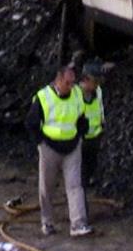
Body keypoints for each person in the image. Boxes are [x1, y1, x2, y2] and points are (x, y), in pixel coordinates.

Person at [32, 60, 91, 237]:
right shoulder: (43, 97)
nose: (71, 86)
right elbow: (31, 123)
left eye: (73, 83)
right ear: (58, 80)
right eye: (67, 83)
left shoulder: (77, 94)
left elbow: (82, 117)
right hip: (49, 147)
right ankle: (47, 222)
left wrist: (80, 136)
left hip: (72, 147)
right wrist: (41, 143)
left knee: (75, 186)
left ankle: (78, 223)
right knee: (47, 187)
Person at [78, 58, 107, 190]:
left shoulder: (98, 91)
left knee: (91, 163)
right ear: (86, 79)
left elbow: (99, 107)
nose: (97, 85)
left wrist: (102, 122)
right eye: (95, 81)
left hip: (95, 135)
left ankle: (86, 181)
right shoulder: (75, 94)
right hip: (80, 138)